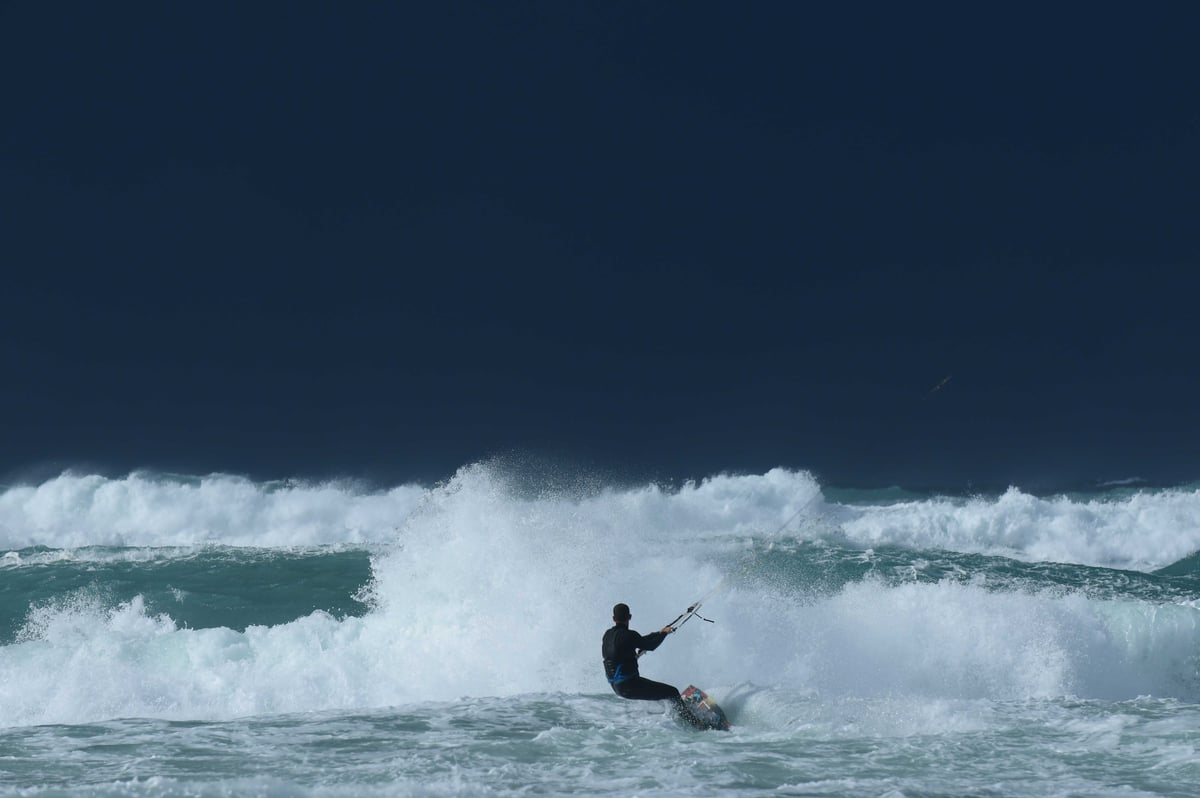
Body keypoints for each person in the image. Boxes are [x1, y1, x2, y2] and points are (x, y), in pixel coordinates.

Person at [602, 602, 702, 727]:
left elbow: (640, 641)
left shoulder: (607, 635)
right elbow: (649, 645)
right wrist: (664, 634)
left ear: (614, 618)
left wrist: (659, 633)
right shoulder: (629, 635)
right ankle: (696, 723)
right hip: (629, 686)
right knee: (672, 692)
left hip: (617, 687)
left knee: (665, 693)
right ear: (630, 617)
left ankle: (677, 714)